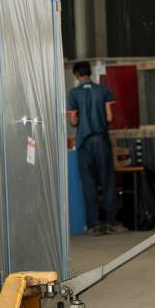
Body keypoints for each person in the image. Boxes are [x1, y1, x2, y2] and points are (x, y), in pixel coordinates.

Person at [67, 61, 124, 235]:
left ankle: (93, 224)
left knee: (88, 183)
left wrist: (81, 119)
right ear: (89, 73)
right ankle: (112, 222)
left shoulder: (73, 93)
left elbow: (73, 122)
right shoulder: (103, 90)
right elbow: (109, 117)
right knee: (107, 181)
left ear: (77, 75)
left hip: (84, 143)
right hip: (102, 140)